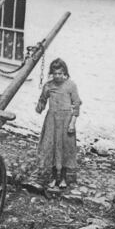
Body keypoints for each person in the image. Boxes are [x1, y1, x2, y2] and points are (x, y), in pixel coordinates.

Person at [35, 57, 81, 189]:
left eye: (60, 73)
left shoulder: (71, 85)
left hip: (66, 120)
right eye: (55, 73)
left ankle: (64, 179)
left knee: (65, 148)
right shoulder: (48, 86)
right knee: (53, 146)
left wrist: (72, 123)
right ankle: (55, 177)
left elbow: (76, 104)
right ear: (51, 73)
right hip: (52, 120)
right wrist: (39, 107)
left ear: (65, 73)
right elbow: (42, 99)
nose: (57, 76)